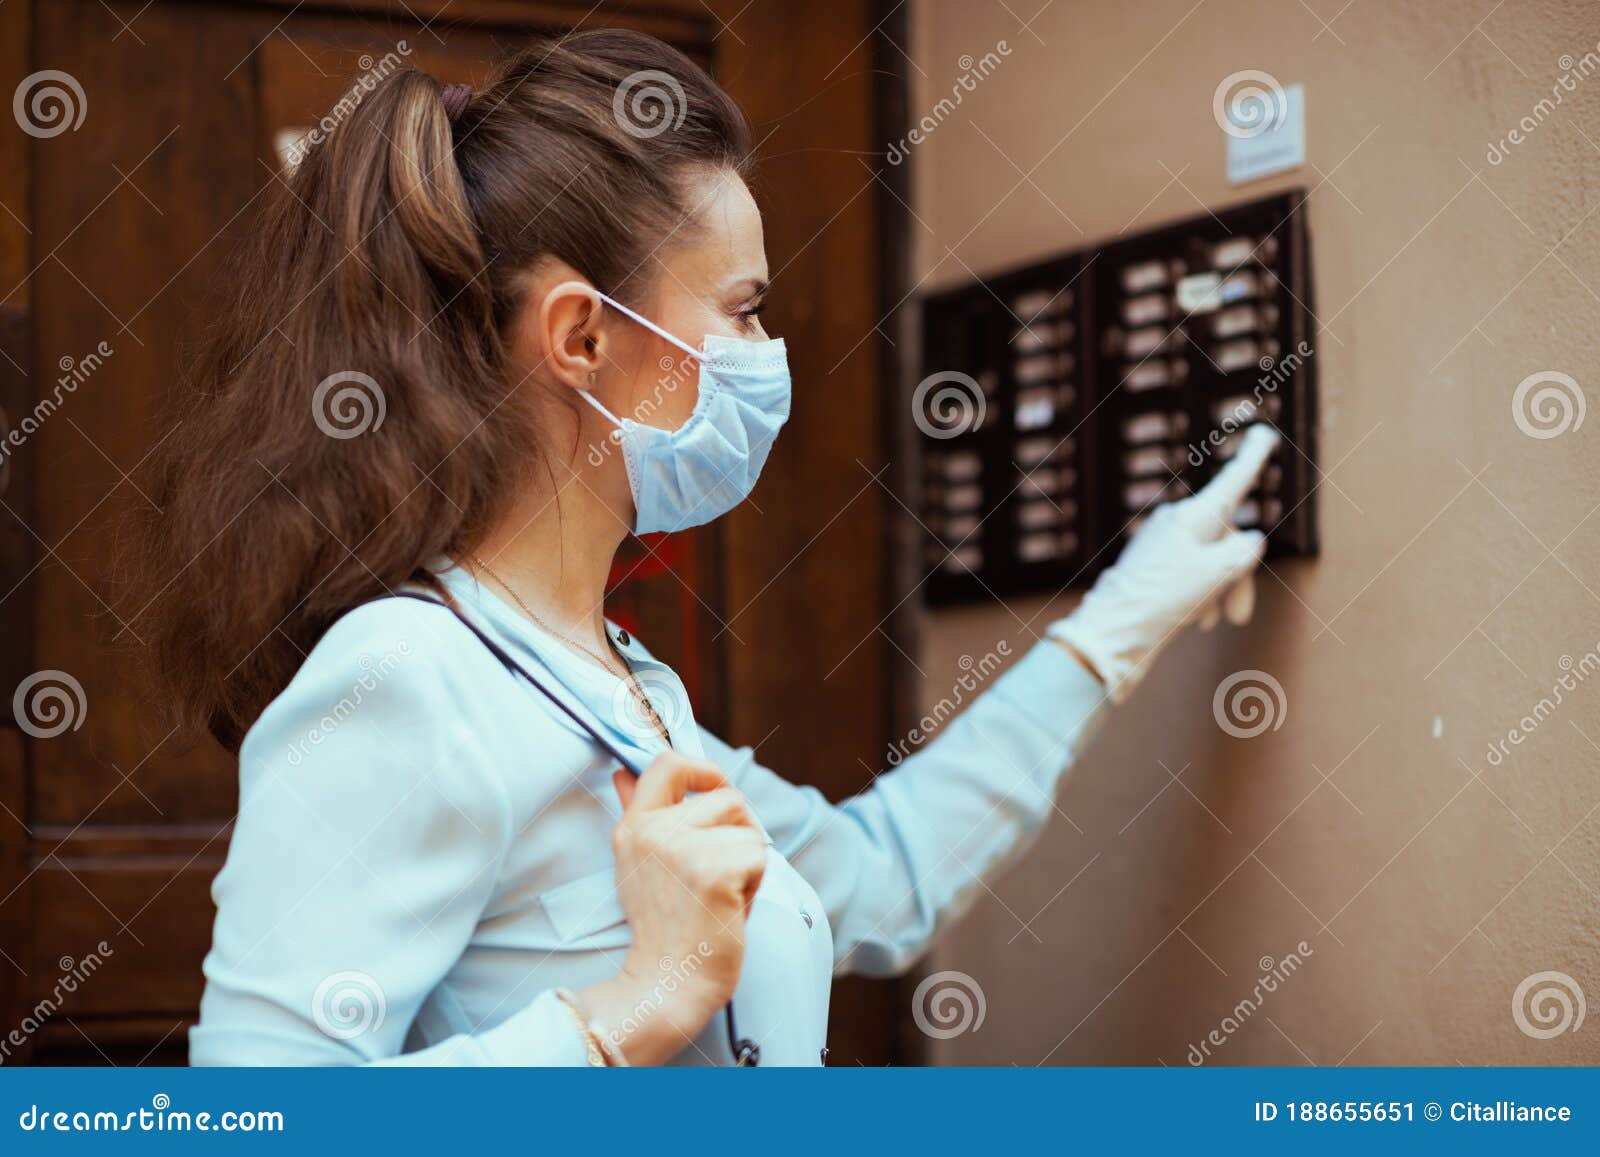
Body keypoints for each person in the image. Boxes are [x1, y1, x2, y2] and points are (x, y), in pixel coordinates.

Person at [136, 29, 1279, 1067]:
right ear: (582, 336)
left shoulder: (625, 687)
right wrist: (639, 1002)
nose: (766, 352)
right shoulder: (402, 678)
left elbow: (882, 878)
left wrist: (1118, 621)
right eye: (740, 309)